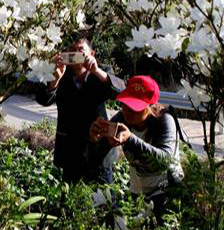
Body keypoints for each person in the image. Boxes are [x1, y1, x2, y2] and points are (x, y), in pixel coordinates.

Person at [89, 75, 184, 213]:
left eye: (134, 107)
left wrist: (130, 139)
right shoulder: (122, 118)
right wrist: (94, 140)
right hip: (139, 192)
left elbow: (165, 160)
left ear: (150, 106)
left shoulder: (165, 120)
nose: (127, 111)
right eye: (125, 104)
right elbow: (95, 159)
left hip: (166, 190)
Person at [36, 37, 123, 184]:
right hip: (70, 149)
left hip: (98, 148)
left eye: (80, 50)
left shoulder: (101, 72)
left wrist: (97, 71)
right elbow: (43, 99)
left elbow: (120, 92)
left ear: (92, 53)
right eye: (71, 50)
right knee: (72, 200)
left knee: (104, 199)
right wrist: (54, 80)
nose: (75, 53)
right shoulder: (59, 73)